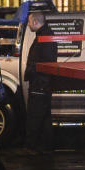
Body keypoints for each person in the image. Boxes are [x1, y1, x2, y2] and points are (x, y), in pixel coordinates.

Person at [23, 12, 57, 152]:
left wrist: (32, 71)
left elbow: (45, 61)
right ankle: (46, 147)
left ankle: (33, 147)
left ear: (36, 22)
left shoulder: (44, 38)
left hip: (40, 83)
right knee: (44, 117)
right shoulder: (44, 35)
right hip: (42, 82)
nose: (29, 25)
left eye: (30, 22)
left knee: (35, 115)